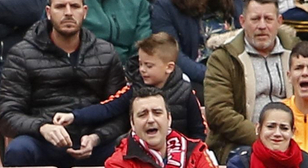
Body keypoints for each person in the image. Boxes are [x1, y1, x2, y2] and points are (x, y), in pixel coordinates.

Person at [0, 0, 124, 168]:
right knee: (19, 149)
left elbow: (121, 111)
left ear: (85, 11)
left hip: (94, 143)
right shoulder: (21, 54)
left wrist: (97, 137)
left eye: (74, 6)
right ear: (48, 12)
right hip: (44, 142)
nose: (68, 12)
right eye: (60, 6)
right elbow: (7, 115)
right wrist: (42, 128)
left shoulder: (106, 53)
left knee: (130, 145)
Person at [60, 31, 205, 142]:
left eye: (149, 65)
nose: (142, 69)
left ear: (169, 67)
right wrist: (75, 116)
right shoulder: (134, 88)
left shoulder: (186, 92)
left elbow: (198, 131)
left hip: (178, 154)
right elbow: (108, 107)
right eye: (140, 63)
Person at [204, 0, 297, 159]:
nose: (262, 26)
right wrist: (263, 138)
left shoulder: (297, 54)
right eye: (255, 19)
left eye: (268, 19)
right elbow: (218, 112)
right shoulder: (223, 58)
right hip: (242, 147)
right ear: (242, 21)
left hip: (294, 143)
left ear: (279, 22)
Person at [104, 87, 223, 168]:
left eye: (157, 112)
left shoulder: (197, 152)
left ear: (169, 119)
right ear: (132, 123)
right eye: (142, 114)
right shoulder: (119, 163)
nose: (150, 119)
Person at [151, 0, 236, 84]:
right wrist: (211, 76)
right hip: (191, 80)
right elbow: (172, 53)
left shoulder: (233, 0)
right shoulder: (165, 6)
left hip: (235, 75)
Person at [226, 99, 308, 168]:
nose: (277, 133)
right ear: (258, 129)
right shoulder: (239, 163)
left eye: (284, 128)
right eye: (270, 126)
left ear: (293, 132)